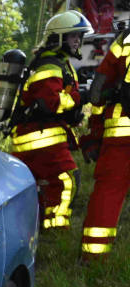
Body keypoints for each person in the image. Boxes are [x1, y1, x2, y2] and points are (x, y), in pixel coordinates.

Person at [9, 11, 92, 231]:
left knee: (44, 185)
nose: (78, 41)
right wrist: (80, 97)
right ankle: (55, 226)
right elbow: (51, 103)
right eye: (73, 36)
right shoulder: (49, 66)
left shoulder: (58, 63)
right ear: (58, 38)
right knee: (67, 179)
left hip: (40, 135)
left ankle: (40, 224)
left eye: (79, 36)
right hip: (40, 138)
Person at [79, 30, 130, 257]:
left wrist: (95, 133)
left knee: (108, 191)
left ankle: (93, 255)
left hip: (120, 130)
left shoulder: (125, 40)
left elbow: (98, 91)